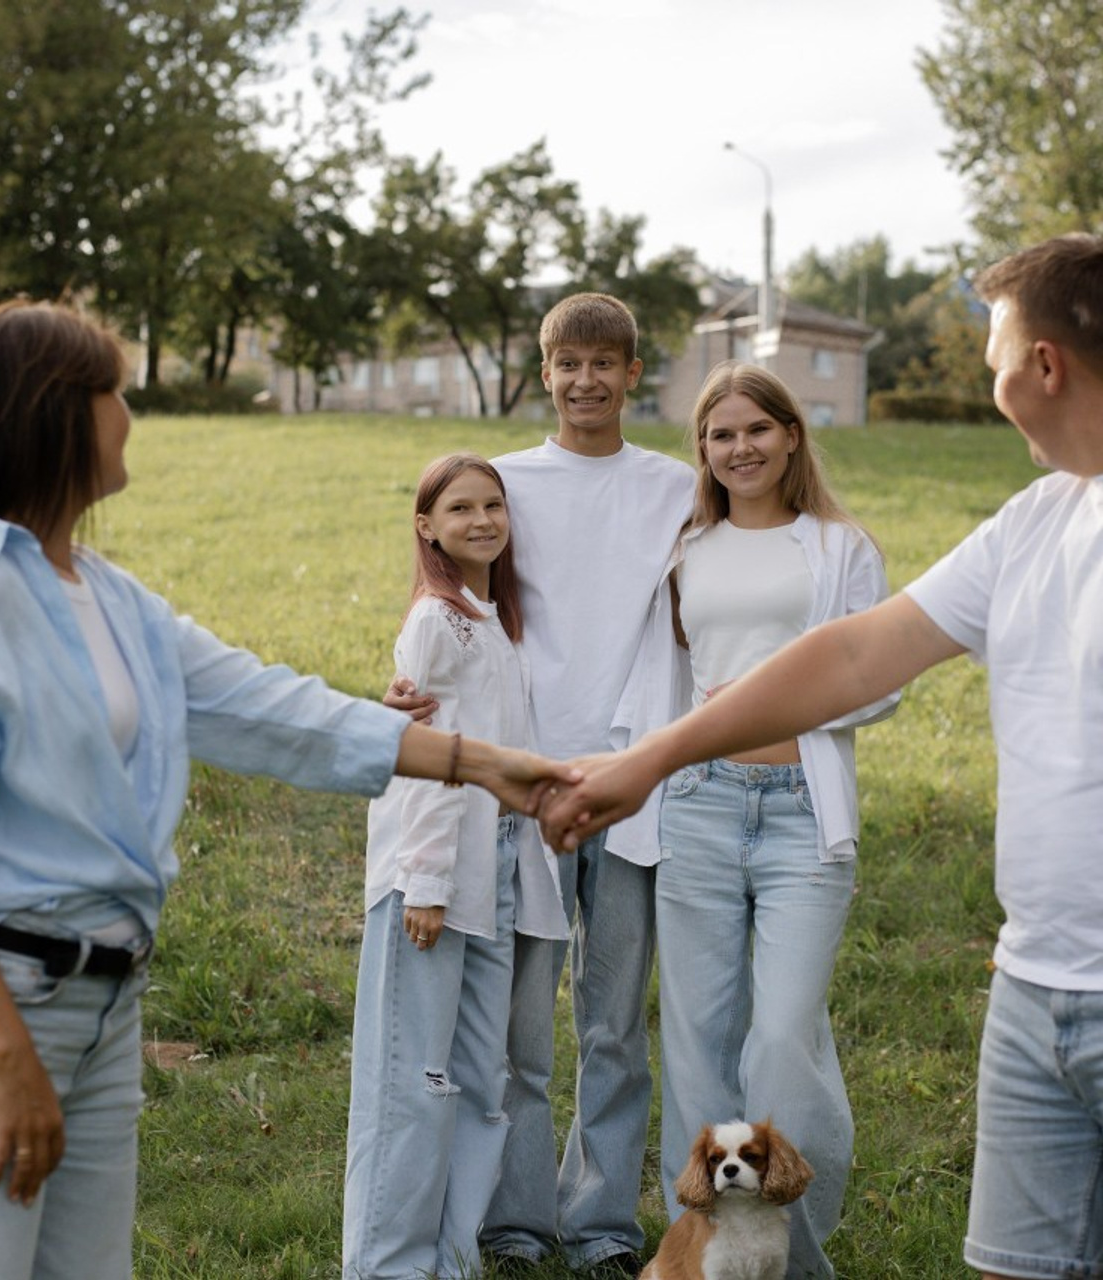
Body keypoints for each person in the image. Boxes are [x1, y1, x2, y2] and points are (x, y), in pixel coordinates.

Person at [538, 234, 1103, 1280]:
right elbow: (854, 650)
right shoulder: (1035, 519)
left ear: (1044, 365)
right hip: (1033, 990)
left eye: (991, 360)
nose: (988, 388)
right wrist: (654, 757)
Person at [0, 301, 573, 1280]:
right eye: (112, 393)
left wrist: (479, 763)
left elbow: (265, 706)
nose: (128, 414)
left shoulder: (105, 593)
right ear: (52, 414)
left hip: (104, 997)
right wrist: (1, 1047)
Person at [388, 294, 695, 1275]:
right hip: (517, 790)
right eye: (568, 362)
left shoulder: (676, 486)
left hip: (632, 779)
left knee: (611, 1020)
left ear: (632, 372)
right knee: (515, 1028)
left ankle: (601, 1220)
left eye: (605, 362)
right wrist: (412, 688)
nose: (585, 380)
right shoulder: (506, 486)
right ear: (544, 368)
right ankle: (515, 1214)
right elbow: (451, 605)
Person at [656, 361, 896, 1280]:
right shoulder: (687, 549)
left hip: (804, 811)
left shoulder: (838, 547)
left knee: (786, 1035)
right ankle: (703, 1252)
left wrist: (783, 706)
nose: (740, 447)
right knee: (698, 1034)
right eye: (720, 435)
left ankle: (796, 1255)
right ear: (704, 453)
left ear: (792, 434)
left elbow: (879, 680)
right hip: (701, 804)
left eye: (757, 429)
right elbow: (668, 677)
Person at [343, 454, 566, 1280]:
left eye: (494, 505)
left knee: (479, 1079)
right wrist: (428, 883)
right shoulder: (437, 619)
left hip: (498, 868)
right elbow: (428, 758)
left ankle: (451, 1258)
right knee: (414, 1081)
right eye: (461, 508)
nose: (481, 520)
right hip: (431, 876)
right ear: (426, 527)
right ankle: (386, 1264)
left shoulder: (493, 616)